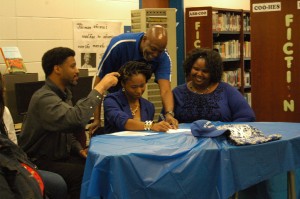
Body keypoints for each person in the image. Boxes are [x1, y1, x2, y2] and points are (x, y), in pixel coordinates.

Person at [18, 47, 119, 199]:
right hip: (37, 161)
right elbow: (76, 121)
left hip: (58, 157)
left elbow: (65, 133)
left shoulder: (64, 95)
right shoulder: (44, 98)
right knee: (80, 174)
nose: (77, 70)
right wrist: (101, 86)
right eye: (72, 66)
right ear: (57, 69)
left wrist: (79, 149)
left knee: (97, 166)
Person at [89, 25, 178, 134]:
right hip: (116, 99)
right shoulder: (120, 45)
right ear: (144, 39)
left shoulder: (148, 107)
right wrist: (96, 119)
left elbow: (166, 90)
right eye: (153, 49)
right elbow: (99, 84)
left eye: (159, 51)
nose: (155, 54)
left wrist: (169, 114)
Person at [0, 73, 67, 199]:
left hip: (15, 163)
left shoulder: (5, 112)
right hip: (13, 167)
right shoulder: (43, 98)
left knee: (57, 184)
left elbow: (13, 145)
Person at [172, 48, 255, 123]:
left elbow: (247, 116)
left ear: (213, 73)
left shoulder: (227, 91)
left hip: (220, 138)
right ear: (189, 68)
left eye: (205, 71)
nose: (199, 74)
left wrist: (228, 131)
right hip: (185, 139)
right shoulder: (177, 92)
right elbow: (165, 119)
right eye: (196, 69)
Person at [104, 61, 172, 133]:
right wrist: (151, 126)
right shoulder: (111, 101)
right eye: (134, 87)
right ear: (123, 84)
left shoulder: (149, 106)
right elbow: (122, 121)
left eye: (142, 86)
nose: (139, 91)